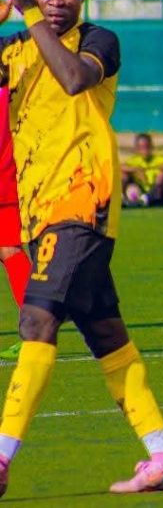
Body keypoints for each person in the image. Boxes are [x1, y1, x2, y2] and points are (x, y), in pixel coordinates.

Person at [0, 0, 163, 497]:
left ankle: (2, 455)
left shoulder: (99, 41)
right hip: (40, 207)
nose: (57, 2)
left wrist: (28, 12)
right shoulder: (14, 48)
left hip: (83, 200)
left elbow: (73, 79)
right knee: (106, 335)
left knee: (37, 320)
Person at [0, 84, 28, 362]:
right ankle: (36, 325)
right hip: (10, 181)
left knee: (9, 251)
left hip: (5, 182)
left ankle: (36, 325)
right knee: (9, 251)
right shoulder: (13, 93)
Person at [121, 132, 163, 208]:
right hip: (140, 191)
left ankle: (148, 198)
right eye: (141, 147)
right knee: (124, 175)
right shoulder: (133, 160)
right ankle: (126, 200)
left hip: (158, 195)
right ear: (137, 148)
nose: (144, 150)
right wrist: (136, 170)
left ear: (151, 146)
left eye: (146, 147)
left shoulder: (158, 158)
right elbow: (121, 166)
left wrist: (158, 167)